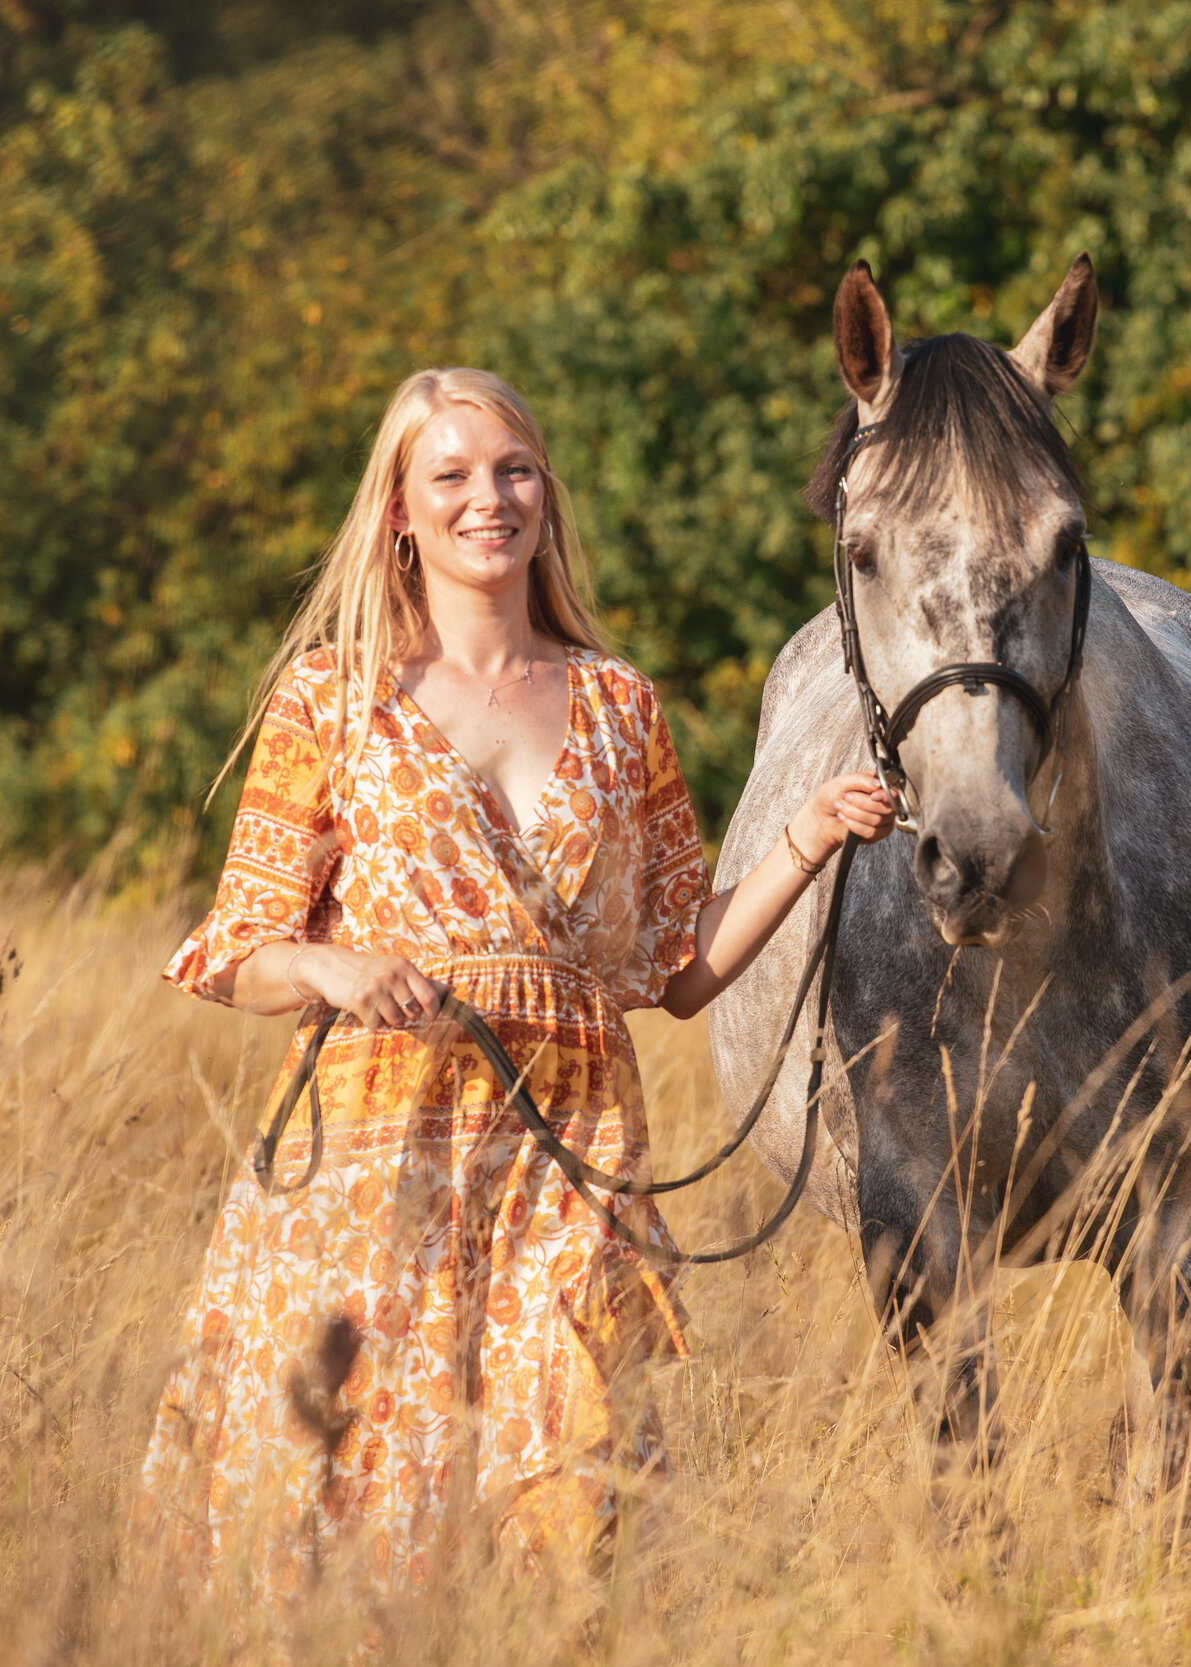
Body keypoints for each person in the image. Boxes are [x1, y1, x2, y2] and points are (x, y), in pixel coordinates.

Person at [135, 367, 892, 1597]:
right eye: (451, 474)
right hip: (379, 1147)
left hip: (572, 1148)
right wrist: (329, 959)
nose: (488, 499)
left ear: (546, 493)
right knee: (378, 1490)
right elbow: (234, 948)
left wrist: (805, 836)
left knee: (578, 1488)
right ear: (398, 509)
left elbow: (674, 969)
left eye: (513, 470)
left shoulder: (616, 702)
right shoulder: (334, 694)